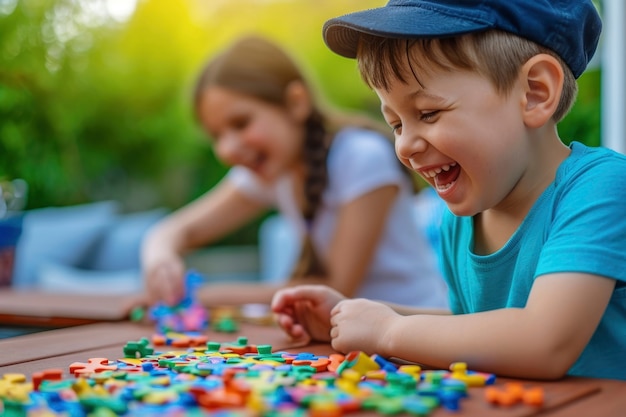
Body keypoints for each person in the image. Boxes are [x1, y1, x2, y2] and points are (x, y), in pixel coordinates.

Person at [272, 0, 626, 381]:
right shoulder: (463, 218)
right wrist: (355, 317)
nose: (405, 146)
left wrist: (389, 331)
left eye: (427, 113)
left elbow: (544, 341)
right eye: (395, 123)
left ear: (535, 92)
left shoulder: (599, 187)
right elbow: (475, 329)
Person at [141, 35, 449, 310]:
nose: (227, 150)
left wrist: (197, 295)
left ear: (296, 102)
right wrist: (161, 258)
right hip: (340, 344)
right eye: (216, 136)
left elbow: (332, 290)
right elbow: (175, 230)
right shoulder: (273, 171)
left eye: (240, 123)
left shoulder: (361, 156)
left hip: (414, 339)